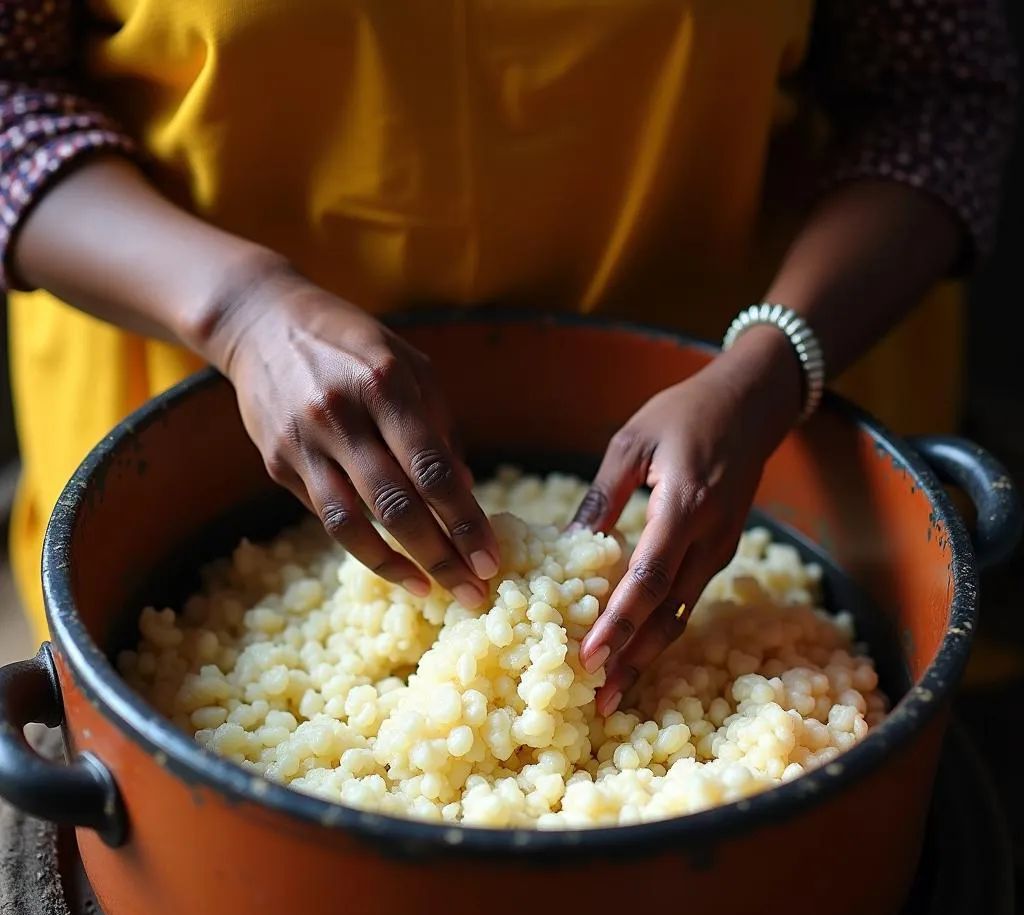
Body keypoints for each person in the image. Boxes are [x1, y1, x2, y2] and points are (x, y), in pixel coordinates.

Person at [0, 0, 1017, 714]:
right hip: (202, 393)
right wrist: (236, 311)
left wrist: (767, 365)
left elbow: (938, 91)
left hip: (750, 403)